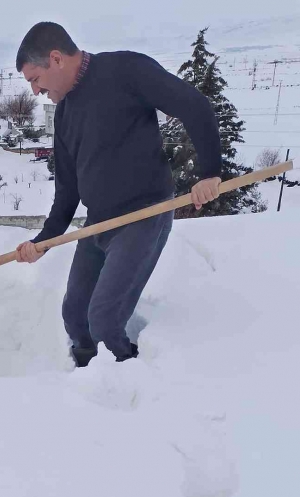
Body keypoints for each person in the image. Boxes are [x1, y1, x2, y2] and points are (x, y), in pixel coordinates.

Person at [14, 22, 222, 367]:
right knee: (75, 317)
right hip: (98, 224)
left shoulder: (125, 70)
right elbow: (67, 193)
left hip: (144, 217)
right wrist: (43, 242)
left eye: (35, 78)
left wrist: (210, 173)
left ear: (56, 59)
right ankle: (85, 376)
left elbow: (194, 106)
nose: (35, 90)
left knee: (105, 321)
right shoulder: (64, 115)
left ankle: (127, 378)